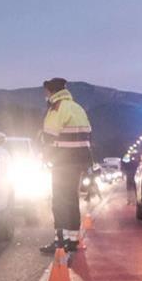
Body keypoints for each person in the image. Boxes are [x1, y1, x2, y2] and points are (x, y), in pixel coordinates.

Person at [38, 78, 93, 253]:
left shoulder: (57, 108)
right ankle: (73, 240)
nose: (45, 95)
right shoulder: (77, 108)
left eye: (46, 91)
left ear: (51, 91)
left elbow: (49, 136)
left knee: (59, 201)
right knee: (72, 199)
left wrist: (45, 154)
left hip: (63, 161)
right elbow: (88, 134)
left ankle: (60, 241)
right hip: (79, 161)